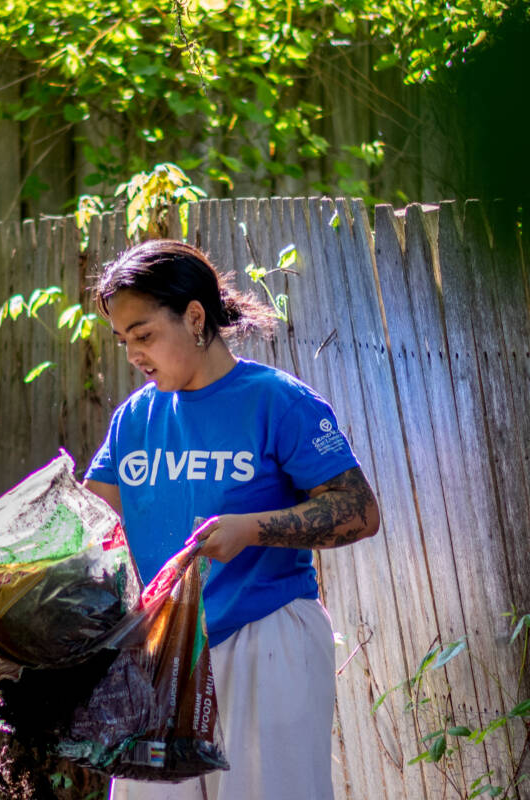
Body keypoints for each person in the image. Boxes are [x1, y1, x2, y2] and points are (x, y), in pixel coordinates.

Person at [82, 239, 381, 800]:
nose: (133, 356)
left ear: (195, 318)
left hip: (267, 641)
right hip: (162, 655)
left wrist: (252, 529)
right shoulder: (136, 419)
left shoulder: (277, 401)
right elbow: (86, 524)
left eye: (143, 335)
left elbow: (360, 510)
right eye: (124, 341)